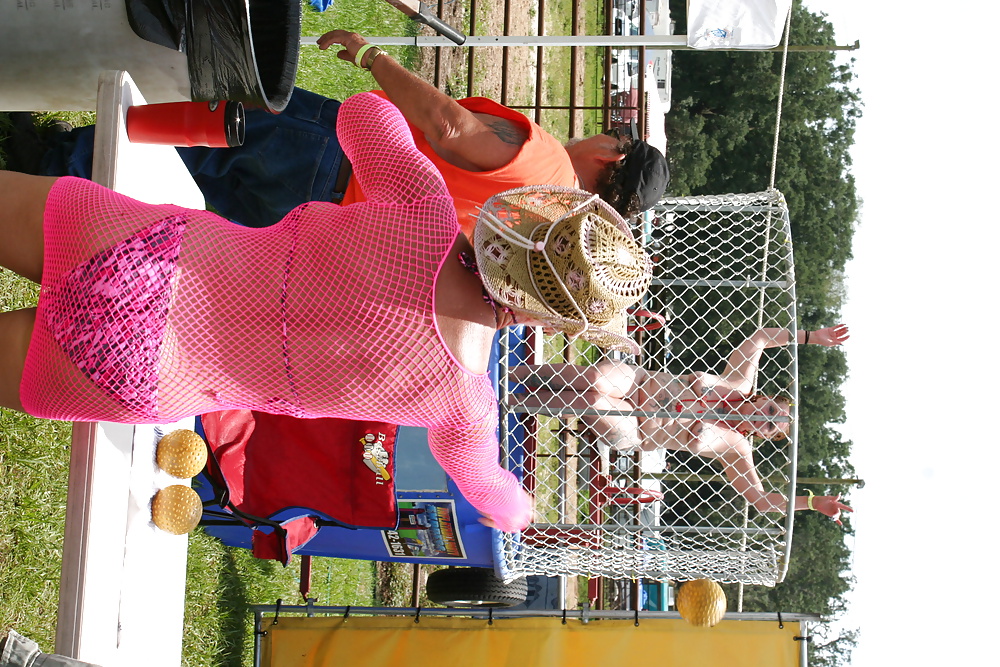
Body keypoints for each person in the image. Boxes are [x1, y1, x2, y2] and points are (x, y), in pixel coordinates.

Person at [0, 92, 654, 534]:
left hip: (146, 251)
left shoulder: (424, 212)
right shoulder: (465, 404)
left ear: (530, 214)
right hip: (138, 371)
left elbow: (365, 115)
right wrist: (524, 510)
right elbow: (494, 496)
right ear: (549, 319)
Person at [27, 31, 670, 235]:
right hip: (327, 218)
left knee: (197, 130)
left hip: (335, 153)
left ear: (613, 156)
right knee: (177, 197)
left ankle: (48, 156)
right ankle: (50, 199)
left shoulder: (549, 158)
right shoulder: (548, 224)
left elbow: (449, 128)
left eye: (614, 139)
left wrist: (372, 58)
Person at [510, 324, 853, 523]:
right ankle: (510, 373)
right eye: (770, 410)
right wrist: (811, 337)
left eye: (769, 426)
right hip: (639, 382)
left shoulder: (736, 448)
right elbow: (761, 337)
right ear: (763, 398)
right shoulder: (739, 382)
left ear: (763, 437)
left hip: (637, 428)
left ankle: (511, 402)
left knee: (594, 403)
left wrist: (811, 503)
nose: (763, 417)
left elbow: (761, 500)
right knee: (599, 379)